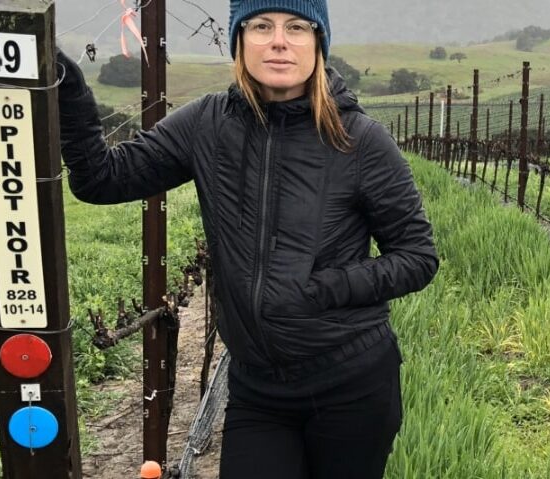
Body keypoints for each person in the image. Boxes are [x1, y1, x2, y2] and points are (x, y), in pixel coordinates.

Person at [56, 0, 439, 477]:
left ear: (318, 42)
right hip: (258, 390)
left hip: (351, 385)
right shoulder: (207, 124)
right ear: (240, 40)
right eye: (261, 25)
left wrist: (322, 288)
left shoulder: (358, 139)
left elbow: (418, 257)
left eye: (297, 26)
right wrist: (66, 84)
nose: (279, 40)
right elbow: (103, 180)